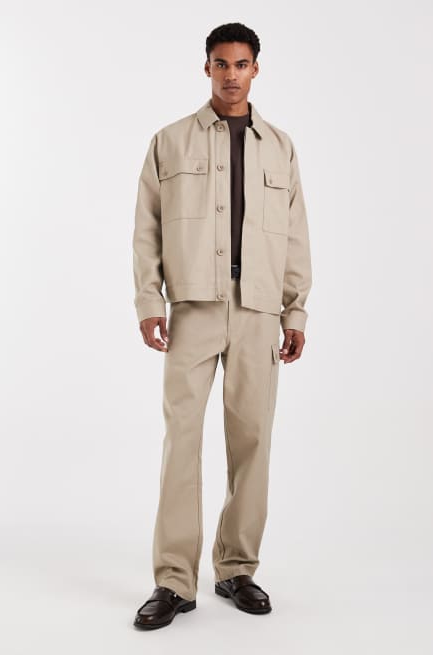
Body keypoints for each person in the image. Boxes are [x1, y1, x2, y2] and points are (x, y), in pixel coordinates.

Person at [132, 22, 312, 630]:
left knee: (252, 441)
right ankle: (173, 580)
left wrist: (295, 309)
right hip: (192, 308)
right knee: (181, 441)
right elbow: (147, 228)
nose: (231, 74)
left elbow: (295, 235)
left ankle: (236, 568)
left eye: (241, 64)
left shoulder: (280, 147)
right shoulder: (170, 141)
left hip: (260, 311)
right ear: (206, 67)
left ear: (256, 69)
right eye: (220, 63)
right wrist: (149, 301)